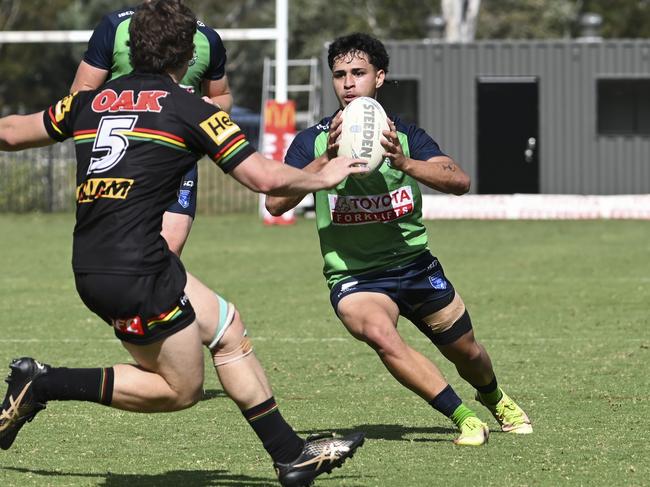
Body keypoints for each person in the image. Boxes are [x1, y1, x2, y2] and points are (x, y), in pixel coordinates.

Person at [0, 3, 367, 486]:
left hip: (106, 260)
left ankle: (291, 454)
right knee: (180, 390)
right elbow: (260, 176)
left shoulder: (87, 102)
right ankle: (44, 382)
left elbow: (9, 132)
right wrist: (326, 172)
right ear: (187, 52)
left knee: (228, 328)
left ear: (132, 47)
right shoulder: (192, 109)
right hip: (138, 272)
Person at [266, 32, 532, 446]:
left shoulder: (404, 135)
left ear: (380, 77)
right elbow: (275, 204)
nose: (348, 83)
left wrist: (402, 161)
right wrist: (324, 162)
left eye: (358, 73)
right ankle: (463, 417)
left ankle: (494, 397)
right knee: (380, 335)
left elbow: (459, 180)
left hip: (415, 265)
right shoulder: (313, 141)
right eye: (339, 75)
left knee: (468, 353)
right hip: (355, 276)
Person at [70, 3, 233, 256]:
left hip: (177, 155)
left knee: (170, 249)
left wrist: (212, 107)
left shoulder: (206, 38)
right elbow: (80, 95)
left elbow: (222, 95)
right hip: (124, 155)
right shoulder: (115, 27)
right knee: (119, 250)